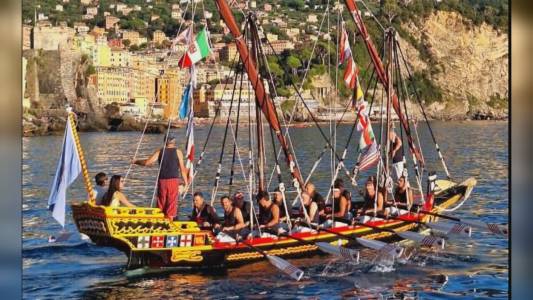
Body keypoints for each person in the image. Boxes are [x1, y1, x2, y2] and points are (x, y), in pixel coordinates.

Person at [133, 135, 189, 220]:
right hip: (173, 180)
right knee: (171, 204)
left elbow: (147, 162)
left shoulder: (160, 151)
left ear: (165, 142)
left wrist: (136, 161)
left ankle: (159, 225)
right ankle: (169, 224)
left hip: (162, 181)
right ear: (174, 142)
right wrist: (186, 183)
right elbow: (182, 169)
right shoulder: (178, 152)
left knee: (161, 203)